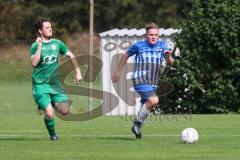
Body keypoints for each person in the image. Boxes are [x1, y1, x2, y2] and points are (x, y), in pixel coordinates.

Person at [112, 22, 174, 139]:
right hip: (140, 78)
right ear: (145, 36)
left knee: (147, 106)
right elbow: (126, 55)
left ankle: (137, 128)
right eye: (151, 34)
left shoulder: (162, 45)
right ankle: (136, 124)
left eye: (156, 34)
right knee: (154, 100)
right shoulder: (139, 46)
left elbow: (170, 60)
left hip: (153, 82)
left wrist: (172, 58)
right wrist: (118, 71)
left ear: (158, 36)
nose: (153, 37)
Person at [30, 18, 82, 141]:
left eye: (51, 27)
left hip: (55, 84)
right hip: (40, 85)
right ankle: (53, 135)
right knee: (49, 113)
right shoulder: (35, 45)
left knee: (64, 111)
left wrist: (78, 72)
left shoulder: (58, 44)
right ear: (40, 30)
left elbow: (71, 55)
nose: (50, 29)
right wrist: (39, 47)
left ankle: (51, 102)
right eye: (47, 27)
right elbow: (34, 63)